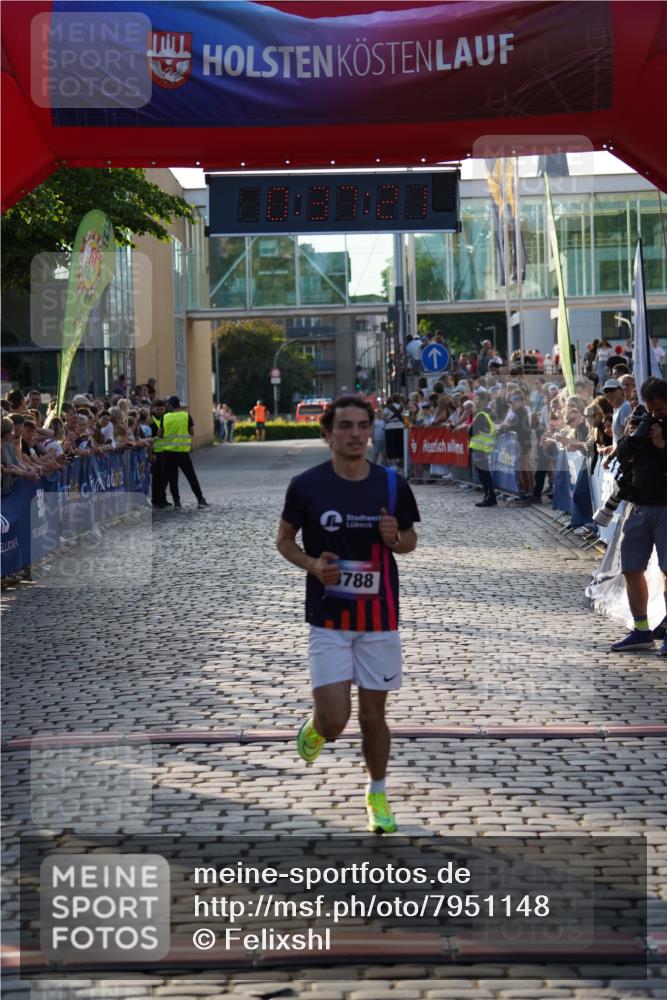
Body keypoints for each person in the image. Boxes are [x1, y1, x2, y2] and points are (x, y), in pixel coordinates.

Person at [276, 395, 420, 833]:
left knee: (373, 717)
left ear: (371, 430)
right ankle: (318, 727)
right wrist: (314, 566)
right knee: (336, 721)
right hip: (329, 619)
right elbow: (285, 542)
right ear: (328, 434)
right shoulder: (306, 485)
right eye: (345, 427)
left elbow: (410, 541)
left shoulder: (392, 485)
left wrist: (395, 539)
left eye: (362, 426)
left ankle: (377, 793)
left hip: (379, 619)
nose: (355, 434)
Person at [609, 377, 667, 654]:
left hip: (665, 506)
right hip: (639, 505)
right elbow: (621, 456)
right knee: (632, 568)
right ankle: (641, 630)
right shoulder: (640, 419)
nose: (655, 415)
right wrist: (632, 436)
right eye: (651, 409)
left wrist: (661, 444)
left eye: (660, 410)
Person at [160, 396, 209, 509]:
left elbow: (160, 434)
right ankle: (200, 500)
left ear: (170, 405)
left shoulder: (165, 417)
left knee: (173, 478)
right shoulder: (186, 416)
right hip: (182, 453)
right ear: (179, 405)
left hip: (169, 452)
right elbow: (192, 432)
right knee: (191, 477)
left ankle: (177, 503)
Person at [470, 390, 497, 507]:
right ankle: (490, 497)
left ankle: (489, 498)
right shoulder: (490, 412)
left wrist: (469, 429)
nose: (475, 401)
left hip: (480, 448)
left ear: (482, 401)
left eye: (477, 399)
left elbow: (473, 431)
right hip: (486, 447)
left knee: (484, 475)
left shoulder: (481, 414)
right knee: (485, 475)